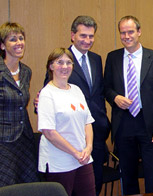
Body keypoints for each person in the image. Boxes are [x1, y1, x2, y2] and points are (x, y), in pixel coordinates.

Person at [35, 16, 110, 195]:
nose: (87, 40)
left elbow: (97, 94)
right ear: (72, 35)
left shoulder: (96, 59)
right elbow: (47, 100)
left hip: (92, 136)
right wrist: (39, 103)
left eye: (91, 36)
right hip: (62, 149)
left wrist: (89, 145)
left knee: (95, 184)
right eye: (83, 35)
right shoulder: (61, 61)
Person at [104, 15, 153, 195]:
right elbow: (106, 87)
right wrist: (115, 97)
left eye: (130, 31)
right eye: (123, 33)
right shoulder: (113, 57)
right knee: (128, 175)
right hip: (123, 123)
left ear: (139, 32)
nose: (126, 36)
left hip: (149, 125)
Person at [0, 22, 39, 194]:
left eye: (21, 38)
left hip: (24, 139)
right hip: (0, 142)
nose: (19, 43)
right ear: (2, 45)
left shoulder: (26, 72)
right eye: (13, 39)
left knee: (26, 185)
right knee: (3, 188)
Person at [38, 48, 95, 196]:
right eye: (60, 62)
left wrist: (88, 148)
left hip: (83, 159)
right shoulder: (47, 93)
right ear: (51, 66)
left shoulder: (76, 90)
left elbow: (87, 122)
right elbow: (49, 133)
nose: (65, 67)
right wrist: (75, 153)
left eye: (68, 62)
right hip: (59, 162)